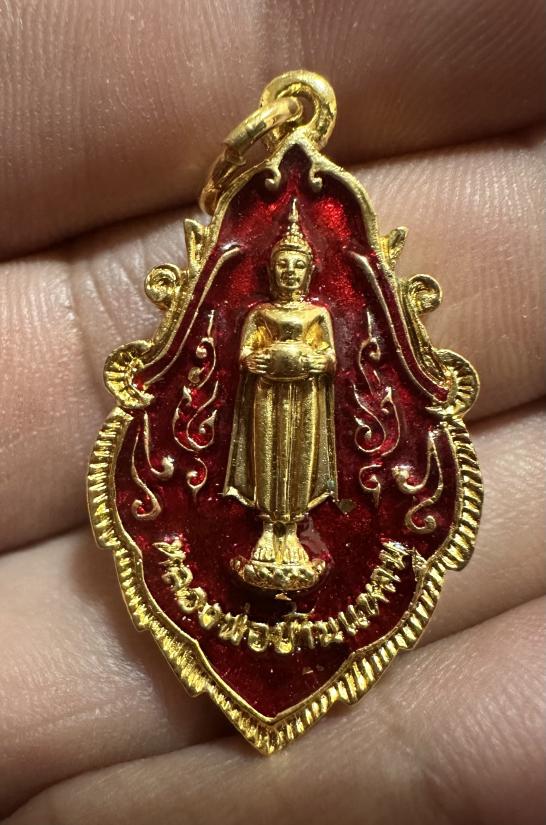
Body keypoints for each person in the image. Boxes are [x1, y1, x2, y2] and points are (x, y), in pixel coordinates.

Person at [224, 201, 337, 590]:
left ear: (308, 271)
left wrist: (314, 361)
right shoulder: (261, 314)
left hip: (305, 396)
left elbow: (330, 358)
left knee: (299, 456)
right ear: (272, 270)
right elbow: (244, 355)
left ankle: (291, 531)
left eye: (297, 265)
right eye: (283, 265)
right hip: (267, 395)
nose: (289, 271)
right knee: (267, 455)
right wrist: (258, 361)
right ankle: (268, 529)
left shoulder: (316, 315)